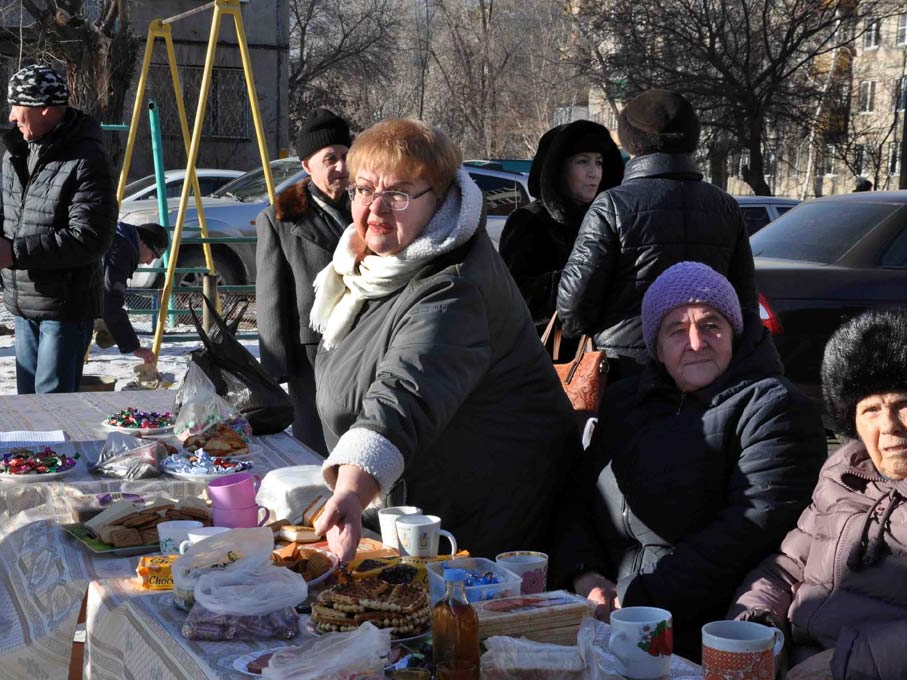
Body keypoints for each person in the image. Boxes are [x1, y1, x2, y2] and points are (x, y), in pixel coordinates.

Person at [309, 118, 575, 561]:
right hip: (418, 510)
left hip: (483, 531)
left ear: (440, 199)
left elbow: (407, 392)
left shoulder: (456, 284)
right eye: (363, 189)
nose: (375, 210)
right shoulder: (371, 268)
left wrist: (353, 491)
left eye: (397, 193)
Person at [552, 262, 825, 660]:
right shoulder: (626, 401)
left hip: (702, 630)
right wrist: (584, 575)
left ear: (734, 330)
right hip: (604, 612)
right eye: (676, 330)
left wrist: (633, 600)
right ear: (657, 347)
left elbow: (748, 532)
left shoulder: (773, 407)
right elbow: (577, 496)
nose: (696, 342)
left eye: (711, 325)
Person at [729, 309, 907, 680]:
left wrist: (843, 666)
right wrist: (757, 625)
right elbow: (786, 567)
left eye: (905, 405)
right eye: (870, 410)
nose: (888, 426)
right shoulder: (843, 477)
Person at [556, 89, 757, 380]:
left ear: (632, 142)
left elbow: (573, 310)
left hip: (626, 374)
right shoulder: (725, 205)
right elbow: (744, 304)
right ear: (691, 138)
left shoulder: (612, 205)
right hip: (705, 373)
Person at [0, 64, 117, 394]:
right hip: (23, 303)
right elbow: (16, 216)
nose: (10, 117)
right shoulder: (17, 152)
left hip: (64, 308)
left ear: (45, 110)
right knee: (28, 407)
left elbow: (91, 238)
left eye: (16, 107)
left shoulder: (86, 158)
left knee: (52, 408)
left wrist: (14, 252)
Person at [256, 109, 352, 454]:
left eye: (346, 156)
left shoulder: (367, 205)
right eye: (331, 158)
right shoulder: (280, 216)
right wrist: (276, 365)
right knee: (317, 442)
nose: (341, 166)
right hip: (311, 351)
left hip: (365, 338)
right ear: (308, 165)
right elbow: (270, 296)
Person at [498, 120, 623, 353]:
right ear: (558, 168)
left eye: (599, 162)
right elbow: (514, 296)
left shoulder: (607, 219)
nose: (593, 172)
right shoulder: (529, 221)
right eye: (582, 161)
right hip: (549, 357)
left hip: (605, 352)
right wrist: (579, 280)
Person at [99, 222, 168, 365]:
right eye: (152, 255)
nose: (149, 263)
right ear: (143, 243)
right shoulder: (121, 251)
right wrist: (135, 348)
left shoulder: (117, 240)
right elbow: (111, 299)